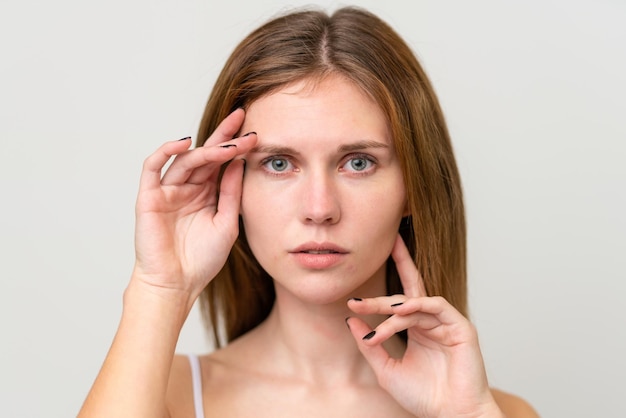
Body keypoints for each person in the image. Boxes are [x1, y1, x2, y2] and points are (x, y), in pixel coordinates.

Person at [79, 6, 539, 418]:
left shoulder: (495, 412)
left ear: (413, 189)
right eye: (278, 164)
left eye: (358, 163)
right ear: (226, 185)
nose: (319, 210)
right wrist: (159, 288)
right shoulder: (168, 399)